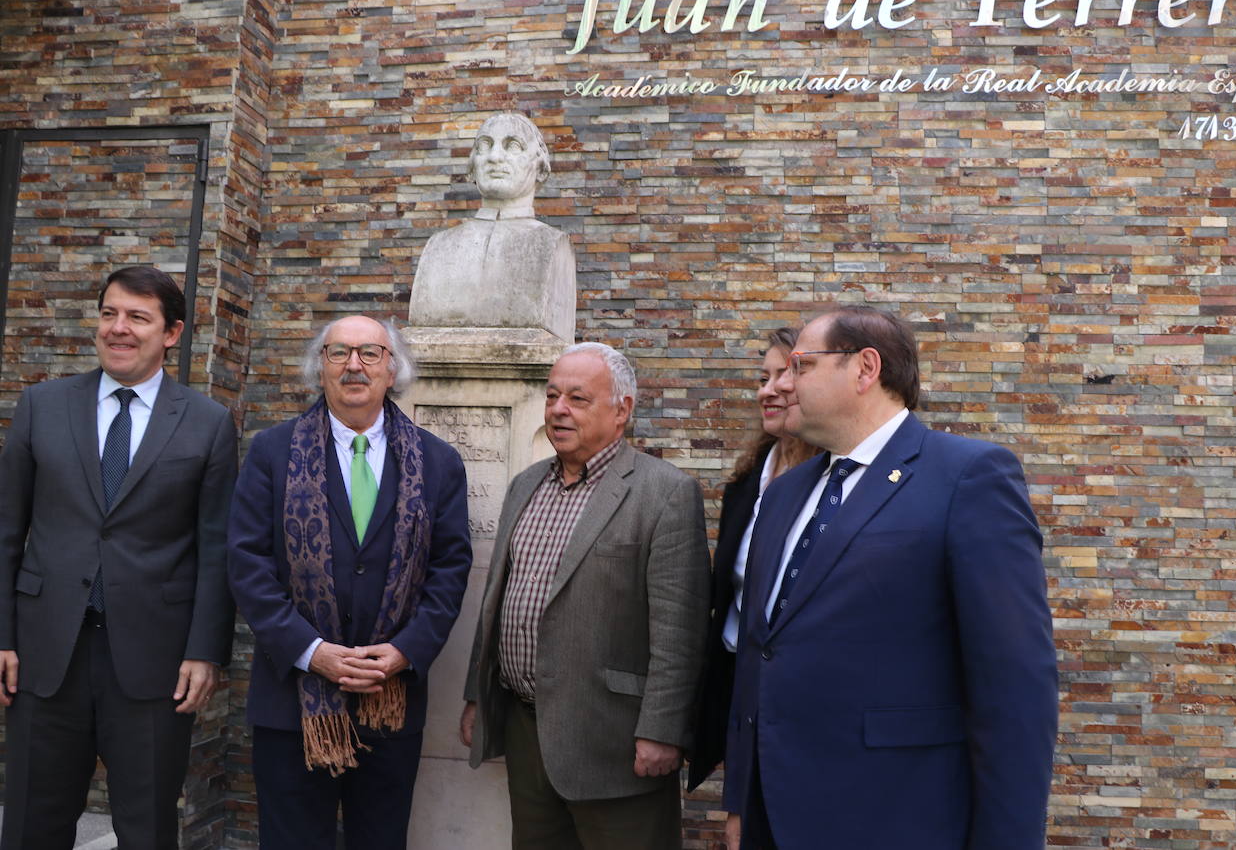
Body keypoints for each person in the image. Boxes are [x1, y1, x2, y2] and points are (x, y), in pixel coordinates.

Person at [724, 305, 1058, 850]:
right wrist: (740, 798)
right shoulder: (784, 495)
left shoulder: (968, 477)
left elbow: (1015, 687)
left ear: (865, 369)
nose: (782, 383)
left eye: (801, 366)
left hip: (897, 816)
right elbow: (759, 655)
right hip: (776, 818)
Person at [0, 265, 237, 850]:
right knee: (30, 822)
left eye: (137, 317)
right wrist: (2, 636)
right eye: (110, 313)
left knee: (148, 827)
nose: (119, 329)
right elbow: (7, 530)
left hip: (155, 663)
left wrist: (204, 651)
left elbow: (217, 546)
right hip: (44, 653)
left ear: (172, 333)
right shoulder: (42, 406)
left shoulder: (208, 425)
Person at [227, 315, 472, 850]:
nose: (354, 364)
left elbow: (450, 571)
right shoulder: (272, 452)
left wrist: (406, 652)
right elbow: (247, 564)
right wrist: (311, 652)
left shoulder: (438, 462)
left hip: (391, 703)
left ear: (393, 370)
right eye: (339, 353)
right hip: (291, 706)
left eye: (369, 353)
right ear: (321, 368)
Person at [460, 342, 710, 850]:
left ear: (622, 410)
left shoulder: (664, 493)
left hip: (615, 743)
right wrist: (476, 696)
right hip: (527, 732)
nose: (558, 409)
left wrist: (662, 730)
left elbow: (680, 630)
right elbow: (495, 602)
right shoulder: (526, 485)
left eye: (577, 398)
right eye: (552, 396)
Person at [687, 327, 819, 791]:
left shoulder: (835, 485)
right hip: (740, 688)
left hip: (804, 703)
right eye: (763, 378)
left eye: (783, 376)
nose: (768, 391)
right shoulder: (745, 485)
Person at [409, 111, 576, 339]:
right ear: (472, 165)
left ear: (540, 166)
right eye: (484, 146)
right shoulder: (438, 245)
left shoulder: (553, 245)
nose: (494, 157)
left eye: (513, 146)